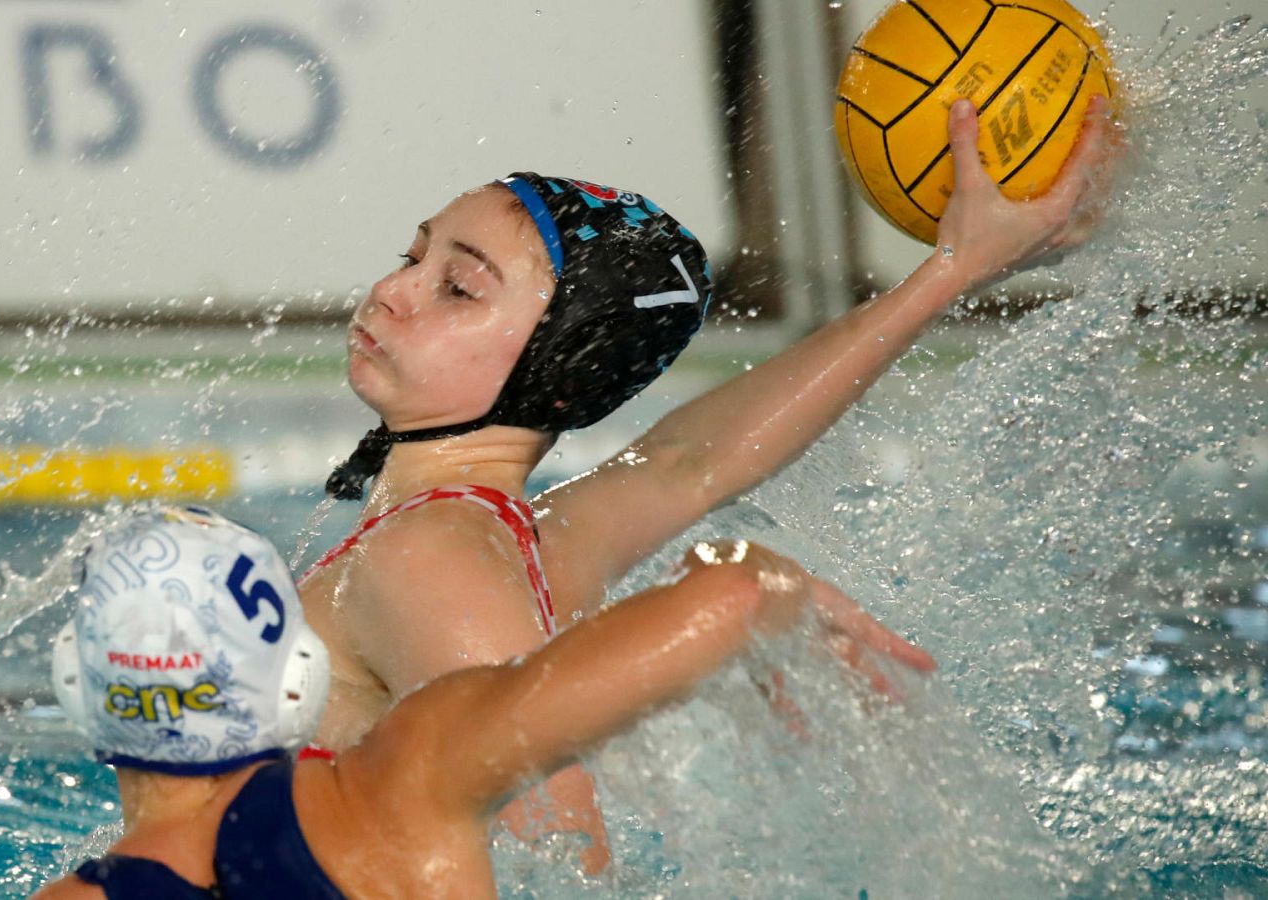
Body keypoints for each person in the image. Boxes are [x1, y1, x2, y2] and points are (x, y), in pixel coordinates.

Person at [296, 96, 1118, 866]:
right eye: (413, 255)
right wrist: (950, 269)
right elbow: (687, 461)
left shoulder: (434, 559)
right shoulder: (521, 539)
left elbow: (559, 860)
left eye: (457, 286)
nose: (394, 290)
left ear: (562, 369)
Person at [34, 506, 879, 899]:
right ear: (300, 676)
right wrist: (755, 571)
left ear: (76, 686)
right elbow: (728, 599)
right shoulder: (402, 781)